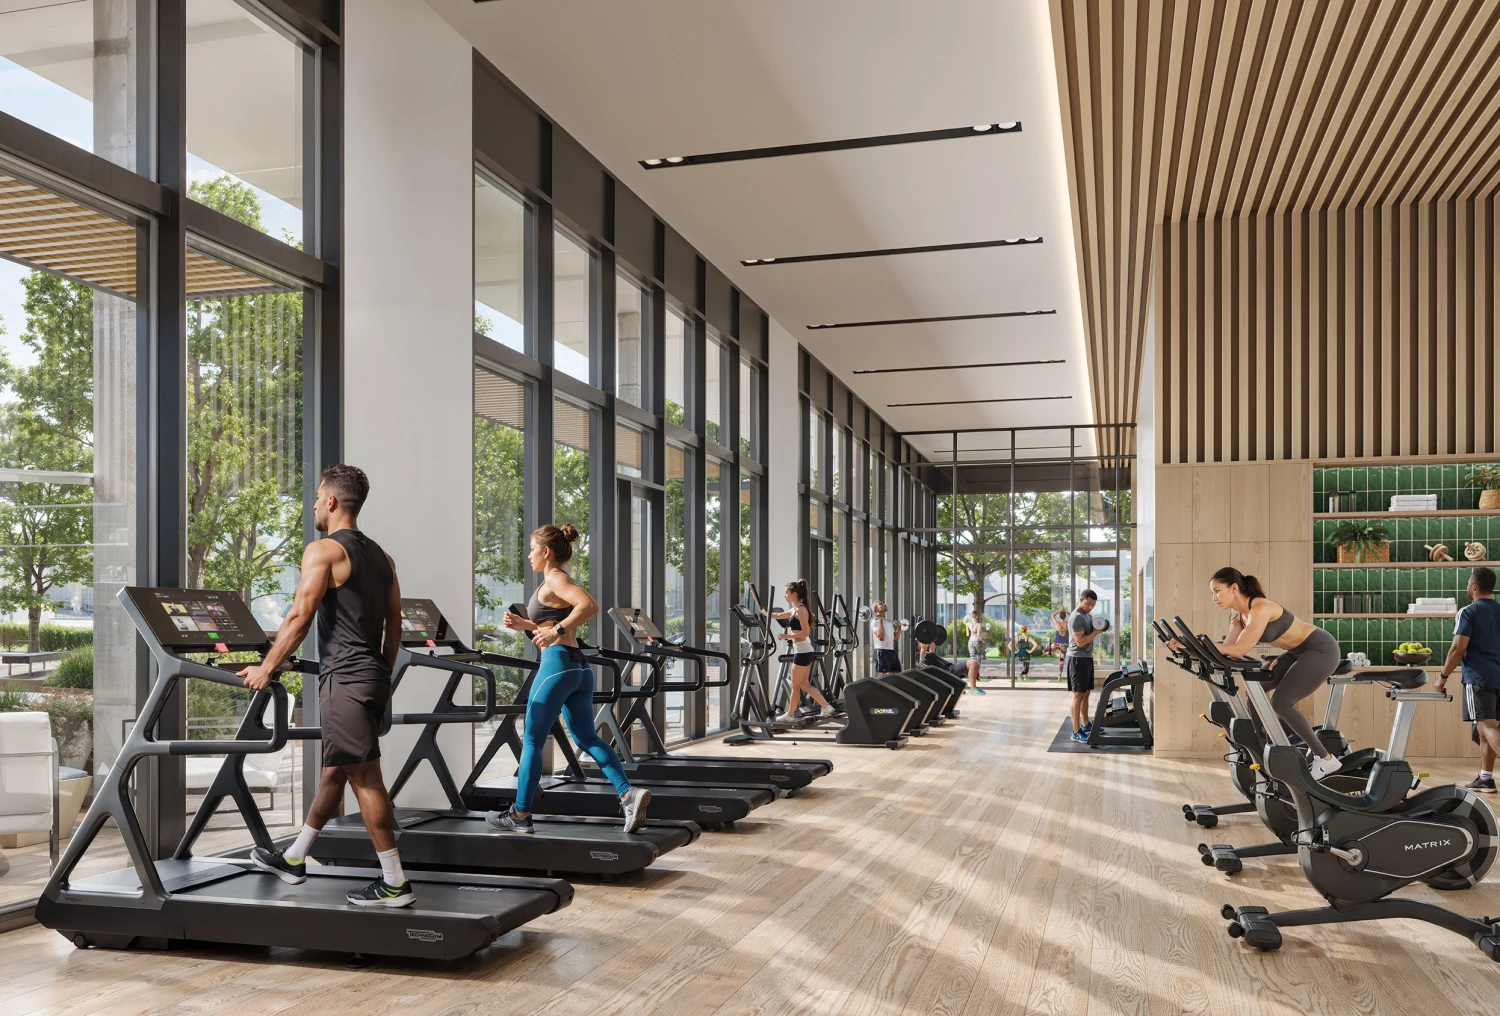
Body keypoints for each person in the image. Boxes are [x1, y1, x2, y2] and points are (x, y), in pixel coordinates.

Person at [245, 464, 414, 906]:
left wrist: (268, 668)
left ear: (333, 501)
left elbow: (299, 616)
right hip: (372, 675)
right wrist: (383, 672)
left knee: (366, 778)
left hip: (345, 678)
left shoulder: (324, 551)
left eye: (319, 497)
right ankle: (295, 858)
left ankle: (395, 881)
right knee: (335, 771)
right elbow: (394, 623)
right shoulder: (383, 557)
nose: (316, 504)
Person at [487, 524, 652, 833]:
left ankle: (520, 815)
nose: (528, 556)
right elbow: (550, 624)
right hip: (577, 666)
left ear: (546, 552)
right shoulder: (551, 583)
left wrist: (557, 630)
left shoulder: (556, 579)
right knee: (586, 738)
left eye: (532, 549)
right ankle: (628, 795)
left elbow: (589, 606)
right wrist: (528, 624)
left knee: (533, 739)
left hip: (557, 665)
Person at [1200, 567, 1342, 780]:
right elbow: (1228, 650)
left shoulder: (1260, 607)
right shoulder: (1239, 618)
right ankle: (1266, 744)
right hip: (1297, 652)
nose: (1214, 597)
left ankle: (1326, 759)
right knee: (1257, 689)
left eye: (1217, 591)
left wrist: (1203, 644)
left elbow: (1238, 650)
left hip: (1320, 648)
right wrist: (1189, 647)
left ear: (1234, 588)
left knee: (1281, 703)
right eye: (1213, 593)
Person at [1435, 567, 1500, 794]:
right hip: (1498, 676)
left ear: (1474, 586)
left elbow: (1457, 648)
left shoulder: (1468, 612)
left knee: (1485, 725)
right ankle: (1486, 778)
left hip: (1479, 677)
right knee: (1487, 728)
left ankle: (1486, 778)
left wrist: (1442, 677)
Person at [769, 579, 835, 723]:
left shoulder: (801, 610)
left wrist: (786, 635)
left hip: (803, 652)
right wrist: (762, 610)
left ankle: (790, 715)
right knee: (805, 684)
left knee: (795, 685)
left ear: (794, 594)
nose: (785, 596)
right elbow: (778, 615)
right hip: (805, 651)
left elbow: (805, 632)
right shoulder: (794, 609)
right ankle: (826, 706)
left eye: (786, 593)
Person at [1066, 592, 1106, 741]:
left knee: (1086, 693)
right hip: (1077, 659)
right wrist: (1097, 632)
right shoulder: (1076, 617)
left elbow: (1093, 630)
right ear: (1081, 599)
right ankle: (1076, 732)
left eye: (1093, 605)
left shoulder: (1087, 616)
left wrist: (1101, 628)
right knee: (1077, 695)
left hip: (1087, 658)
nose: (1090, 607)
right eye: (1088, 604)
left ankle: (1086, 724)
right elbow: (1081, 642)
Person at [871, 601, 904, 675]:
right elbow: (880, 637)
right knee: (883, 677)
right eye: (881, 604)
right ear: (876, 610)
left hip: (891, 651)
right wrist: (880, 621)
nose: (884, 604)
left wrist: (899, 628)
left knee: (895, 676)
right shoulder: (875, 621)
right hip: (882, 651)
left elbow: (895, 638)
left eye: (884, 603)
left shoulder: (888, 622)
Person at [964, 610, 987, 695]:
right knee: (978, 658)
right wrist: (982, 640)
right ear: (977, 616)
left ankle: (973, 679)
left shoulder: (967, 624)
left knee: (972, 659)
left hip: (970, 641)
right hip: (977, 641)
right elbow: (978, 634)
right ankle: (977, 674)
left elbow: (967, 635)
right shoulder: (979, 625)